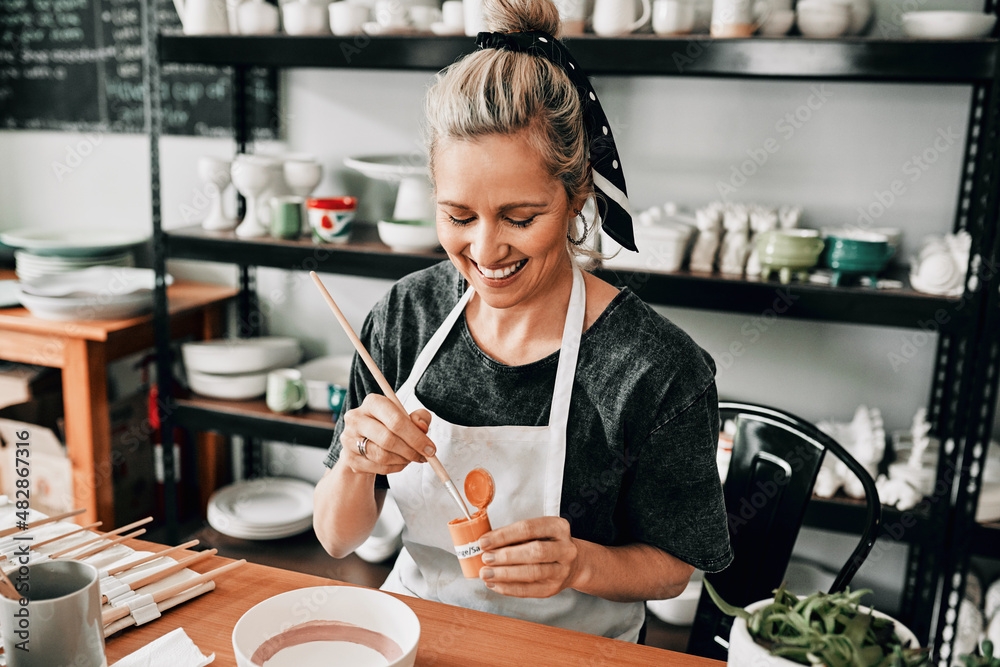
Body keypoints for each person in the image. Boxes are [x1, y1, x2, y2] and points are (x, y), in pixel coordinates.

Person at [314, 0, 732, 642]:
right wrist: (356, 463)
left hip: (576, 649)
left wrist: (579, 562)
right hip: (421, 634)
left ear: (577, 196)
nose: (484, 252)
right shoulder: (405, 317)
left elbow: (672, 569)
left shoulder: (654, 367)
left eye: (519, 217)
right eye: (458, 217)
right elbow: (338, 539)